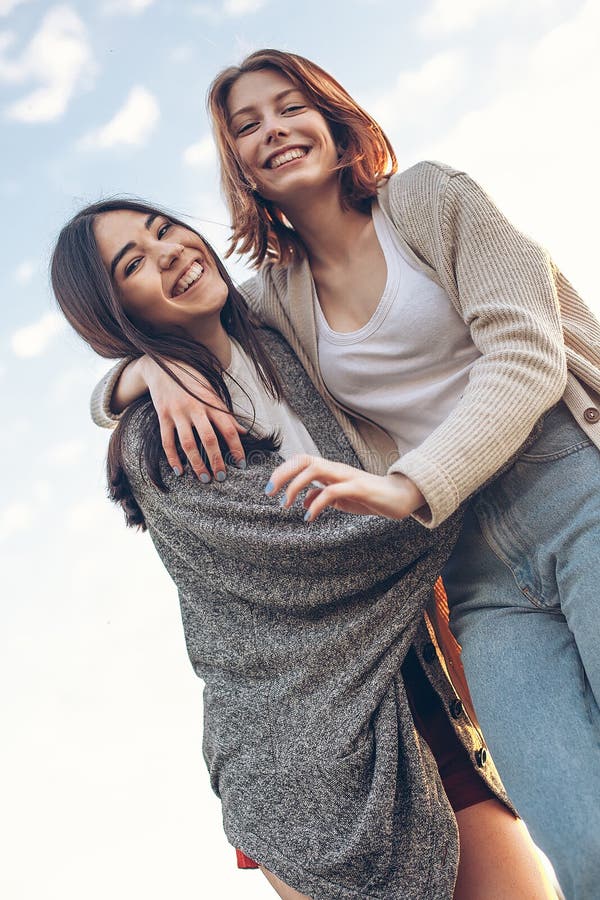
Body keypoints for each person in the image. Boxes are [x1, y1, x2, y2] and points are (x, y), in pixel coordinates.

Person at [90, 50, 600, 898]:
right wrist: (140, 371)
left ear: (332, 115)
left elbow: (525, 352)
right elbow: (172, 328)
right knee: (580, 845)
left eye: (288, 107)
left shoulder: (431, 198)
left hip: (568, 484)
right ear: (238, 166)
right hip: (473, 568)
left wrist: (410, 486)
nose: (274, 131)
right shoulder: (277, 300)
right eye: (247, 126)